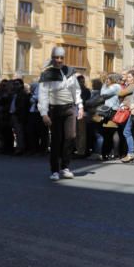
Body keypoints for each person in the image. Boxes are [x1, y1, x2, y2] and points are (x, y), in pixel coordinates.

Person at [38, 46, 83, 181]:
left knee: (71, 137)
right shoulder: (46, 74)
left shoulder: (70, 71)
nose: (59, 60)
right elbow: (43, 95)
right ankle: (54, 170)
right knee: (56, 140)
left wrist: (80, 106)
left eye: (61, 58)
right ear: (52, 58)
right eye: (56, 57)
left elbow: (76, 90)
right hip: (54, 109)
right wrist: (44, 113)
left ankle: (65, 167)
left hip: (69, 108)